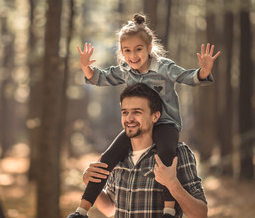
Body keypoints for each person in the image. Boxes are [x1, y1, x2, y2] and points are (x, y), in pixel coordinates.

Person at [67, 13, 219, 218]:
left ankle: (168, 209)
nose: (133, 55)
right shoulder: (125, 70)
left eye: (138, 49)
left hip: (166, 124)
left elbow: (185, 77)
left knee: (165, 154)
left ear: (149, 48)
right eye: (126, 50)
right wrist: (86, 67)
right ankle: (81, 210)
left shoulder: (164, 67)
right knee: (106, 159)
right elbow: (102, 77)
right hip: (140, 128)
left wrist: (202, 72)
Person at [82, 84, 208, 217]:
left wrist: (173, 185)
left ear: (155, 116)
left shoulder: (178, 153)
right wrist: (89, 182)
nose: (129, 118)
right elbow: (111, 209)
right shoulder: (117, 158)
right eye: (125, 112)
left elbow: (200, 214)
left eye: (137, 112)